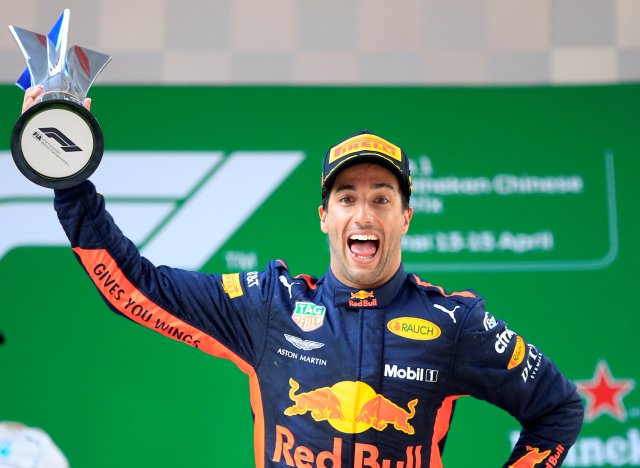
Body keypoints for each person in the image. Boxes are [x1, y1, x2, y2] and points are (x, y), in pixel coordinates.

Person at [22, 86, 583, 467]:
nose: (363, 215)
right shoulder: (270, 306)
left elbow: (557, 410)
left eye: (381, 198)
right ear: (325, 216)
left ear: (404, 217)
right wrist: (69, 184)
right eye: (346, 198)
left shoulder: (455, 323)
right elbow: (135, 288)